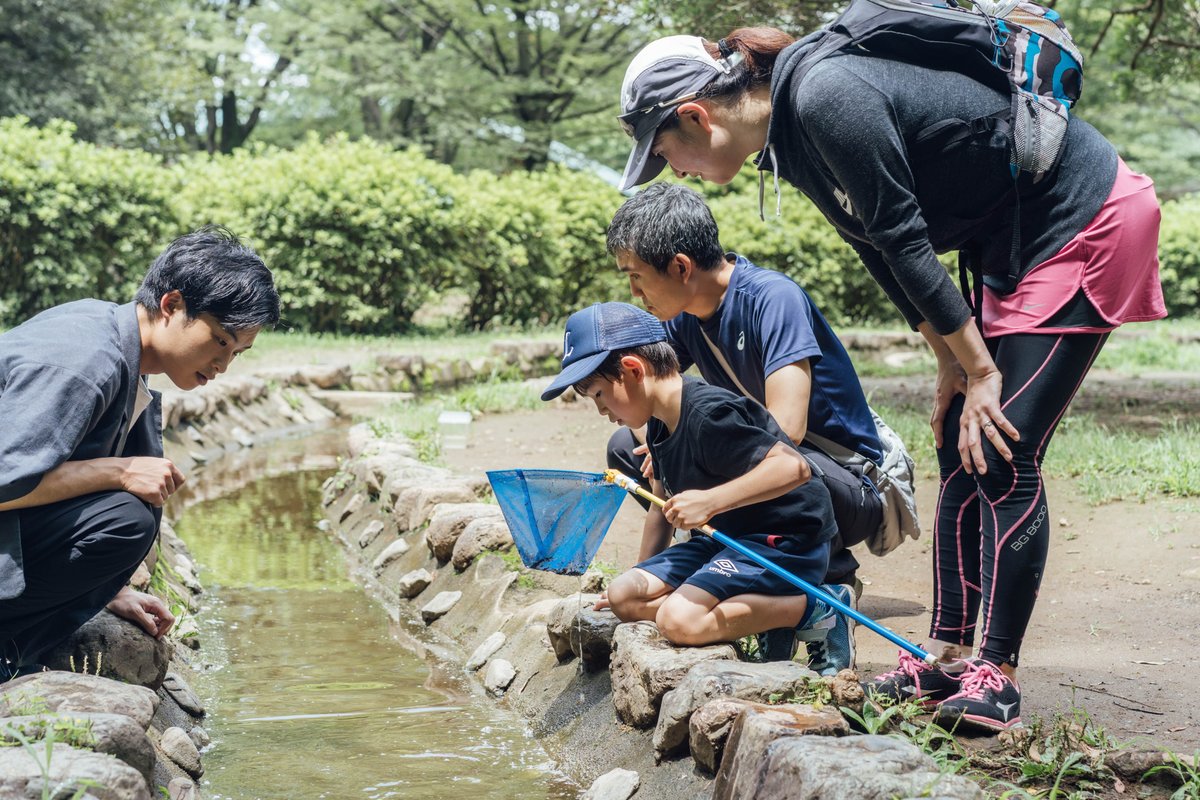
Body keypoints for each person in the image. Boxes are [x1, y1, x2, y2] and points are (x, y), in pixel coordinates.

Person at [614, 27, 1166, 732]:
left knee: (1002, 442)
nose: (676, 171)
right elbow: (876, 246)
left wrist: (984, 369)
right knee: (954, 439)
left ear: (697, 115)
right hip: (1012, 240)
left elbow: (904, 235)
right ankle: (945, 658)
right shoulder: (788, 140)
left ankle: (996, 675)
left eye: (666, 154)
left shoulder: (821, 98)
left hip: (1083, 219)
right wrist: (949, 358)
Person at [603, 182, 885, 675]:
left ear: (681, 267)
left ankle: (821, 585)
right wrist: (661, 441)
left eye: (637, 277)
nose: (635, 293)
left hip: (838, 478)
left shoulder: (771, 299)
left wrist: (701, 480)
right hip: (765, 465)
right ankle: (737, 580)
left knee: (737, 454)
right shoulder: (685, 316)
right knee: (628, 445)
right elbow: (662, 395)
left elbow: (789, 431)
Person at [0, 227, 280, 680]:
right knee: (125, 519)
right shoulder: (85, 359)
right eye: (221, 341)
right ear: (171, 306)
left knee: (129, 514)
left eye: (239, 353)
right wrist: (119, 470)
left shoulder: (123, 351)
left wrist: (105, 592)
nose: (223, 365)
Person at [541, 302, 839, 655]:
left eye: (600, 396)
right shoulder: (658, 423)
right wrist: (644, 572)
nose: (602, 411)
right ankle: (757, 615)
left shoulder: (709, 415)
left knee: (678, 621)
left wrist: (711, 502)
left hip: (781, 542)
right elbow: (659, 506)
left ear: (633, 369)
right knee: (624, 597)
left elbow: (793, 468)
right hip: (724, 541)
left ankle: (818, 608)